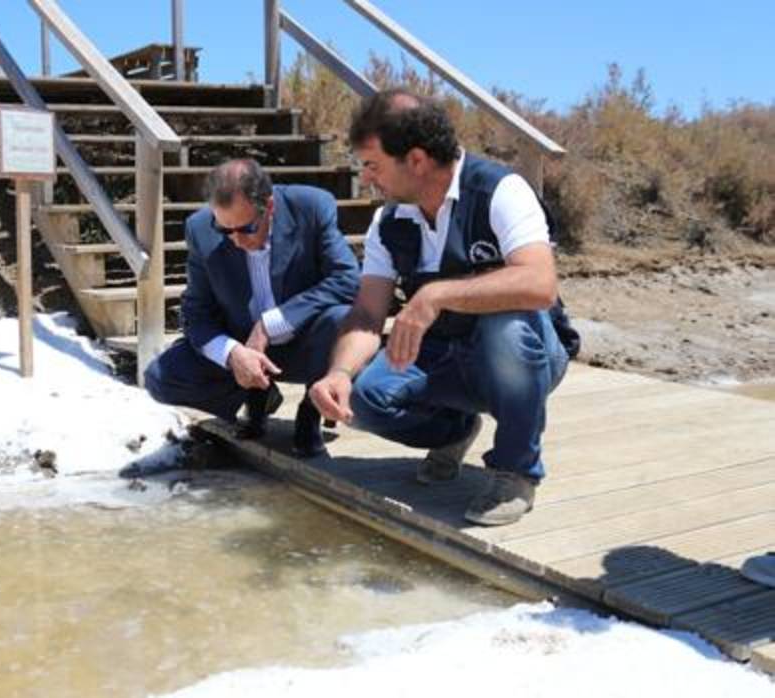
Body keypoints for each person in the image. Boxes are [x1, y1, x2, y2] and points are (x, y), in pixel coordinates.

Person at [310, 89, 578, 526]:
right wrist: (338, 374)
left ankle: (516, 471)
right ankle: (454, 430)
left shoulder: (500, 190)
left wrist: (434, 294)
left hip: (527, 355)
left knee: (506, 328)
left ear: (415, 160)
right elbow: (366, 314)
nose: (367, 179)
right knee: (366, 400)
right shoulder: (390, 220)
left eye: (373, 166)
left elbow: (539, 284)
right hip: (446, 354)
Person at [144, 158, 359, 458]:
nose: (236, 240)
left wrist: (269, 325)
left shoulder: (311, 207)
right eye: (225, 230)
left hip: (305, 345)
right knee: (160, 377)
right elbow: (196, 313)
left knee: (341, 318)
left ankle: (310, 412)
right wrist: (232, 354)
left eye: (246, 228)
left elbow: (348, 279)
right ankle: (257, 395)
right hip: (243, 345)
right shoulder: (199, 229)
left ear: (269, 207)